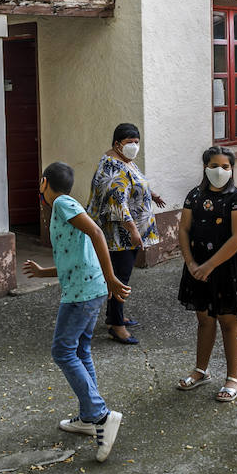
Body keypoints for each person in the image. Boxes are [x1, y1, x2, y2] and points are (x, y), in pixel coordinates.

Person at [22, 162, 131, 462]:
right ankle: (88, 417)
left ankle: (100, 415)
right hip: (86, 289)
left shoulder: (61, 203)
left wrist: (111, 278)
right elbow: (74, 259)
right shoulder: (65, 207)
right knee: (80, 350)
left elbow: (97, 233)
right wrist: (44, 272)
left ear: (44, 182)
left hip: (84, 293)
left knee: (62, 351)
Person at [176, 146, 237, 403]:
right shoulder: (194, 196)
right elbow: (184, 229)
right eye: (213, 166)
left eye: (225, 166)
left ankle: (233, 378)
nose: (219, 171)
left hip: (225, 270)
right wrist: (190, 262)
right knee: (204, 319)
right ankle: (201, 370)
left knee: (228, 321)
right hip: (196, 268)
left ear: (231, 170)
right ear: (205, 167)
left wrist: (208, 266)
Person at [88, 123, 163, 344]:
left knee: (120, 276)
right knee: (120, 278)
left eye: (137, 142)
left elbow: (135, 181)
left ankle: (114, 317)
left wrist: (153, 194)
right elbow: (117, 204)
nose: (134, 146)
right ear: (117, 144)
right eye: (130, 142)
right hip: (119, 234)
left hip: (123, 233)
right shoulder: (113, 168)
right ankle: (117, 326)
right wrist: (133, 231)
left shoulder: (123, 162)